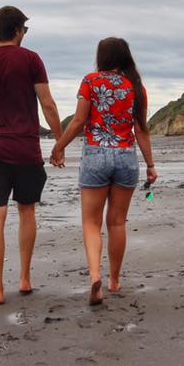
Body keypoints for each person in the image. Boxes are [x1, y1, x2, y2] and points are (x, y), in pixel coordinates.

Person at [0, 6, 63, 305]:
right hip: (25, 149)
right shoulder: (31, 59)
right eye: (25, 30)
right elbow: (47, 104)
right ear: (18, 30)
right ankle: (24, 279)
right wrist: (59, 141)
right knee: (27, 211)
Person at [50, 37, 157, 306]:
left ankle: (95, 276)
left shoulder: (90, 81)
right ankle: (114, 280)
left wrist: (58, 147)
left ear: (102, 57)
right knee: (117, 222)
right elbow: (141, 130)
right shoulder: (136, 87)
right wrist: (151, 165)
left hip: (96, 156)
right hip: (125, 158)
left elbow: (78, 121)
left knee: (91, 223)